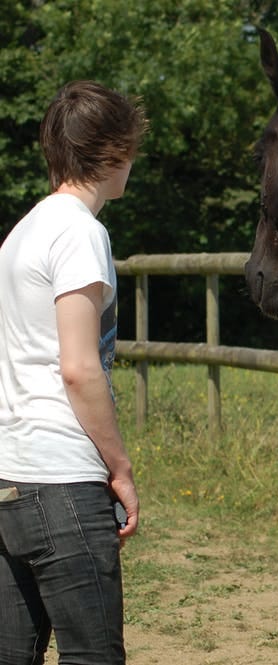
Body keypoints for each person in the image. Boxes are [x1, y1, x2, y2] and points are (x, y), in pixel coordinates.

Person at [0, 80, 147, 664]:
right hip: (61, 479)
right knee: (94, 656)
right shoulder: (81, 233)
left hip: (8, 476)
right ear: (111, 152)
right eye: (130, 149)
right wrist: (120, 467)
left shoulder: (21, 234)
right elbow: (80, 369)